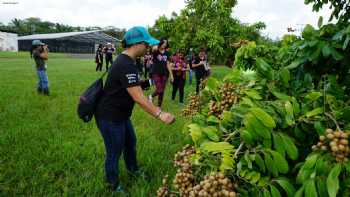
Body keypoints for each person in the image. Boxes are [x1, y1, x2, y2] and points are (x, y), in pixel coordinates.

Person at [95, 26, 175, 193]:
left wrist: (148, 82)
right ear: (137, 43)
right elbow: (138, 97)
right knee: (114, 152)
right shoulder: (125, 64)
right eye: (147, 44)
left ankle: (133, 170)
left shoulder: (128, 61)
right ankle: (113, 185)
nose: (148, 48)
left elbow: (128, 85)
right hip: (110, 117)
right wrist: (160, 114)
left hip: (122, 115)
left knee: (130, 144)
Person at [149, 38, 174, 107]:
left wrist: (171, 75)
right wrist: (157, 45)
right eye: (163, 43)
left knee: (162, 91)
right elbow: (153, 49)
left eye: (166, 43)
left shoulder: (167, 53)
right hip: (156, 72)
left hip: (165, 73)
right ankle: (151, 96)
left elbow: (168, 64)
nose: (164, 44)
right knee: (159, 89)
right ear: (160, 43)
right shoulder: (156, 51)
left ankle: (159, 106)